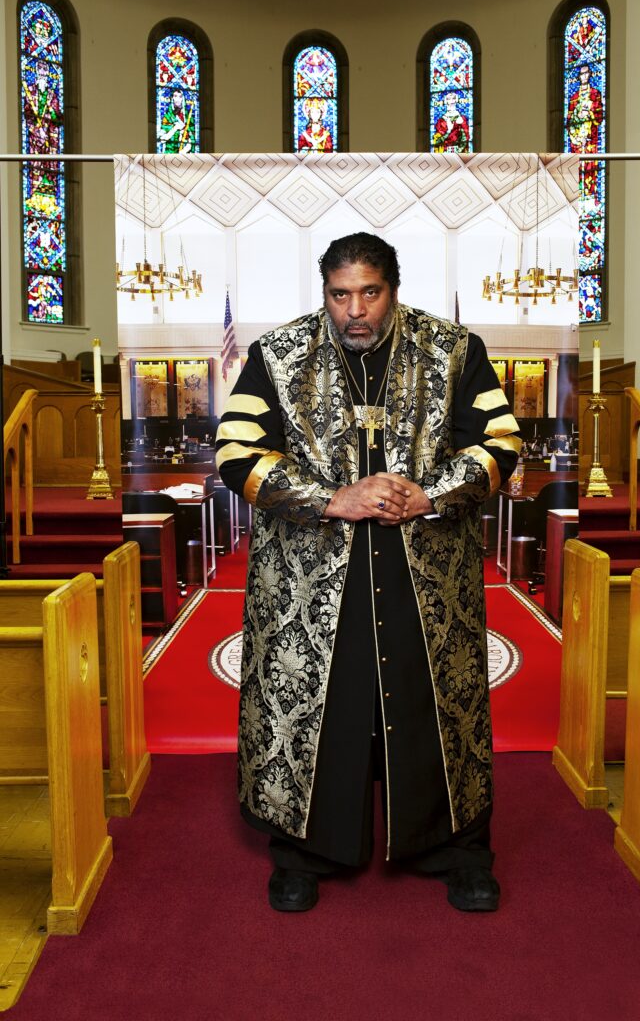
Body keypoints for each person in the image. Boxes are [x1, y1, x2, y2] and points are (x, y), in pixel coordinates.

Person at [216, 232, 521, 913]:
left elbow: (499, 442)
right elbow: (235, 451)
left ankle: (458, 848)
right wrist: (330, 499)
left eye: (369, 293)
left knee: (435, 700)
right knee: (327, 703)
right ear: (323, 291)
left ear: (394, 288)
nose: (354, 310)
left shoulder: (453, 351)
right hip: (311, 575)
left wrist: (431, 493)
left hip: (427, 569)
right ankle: (301, 851)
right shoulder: (279, 355)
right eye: (339, 294)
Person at [158, 87, 196, 153]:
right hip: (170, 153)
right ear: (172, 98)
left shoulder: (188, 117)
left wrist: (188, 147)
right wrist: (175, 128)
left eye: (180, 96)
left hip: (185, 154)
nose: (178, 99)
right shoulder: (168, 116)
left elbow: (192, 136)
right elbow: (162, 139)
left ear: (183, 99)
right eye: (175, 96)